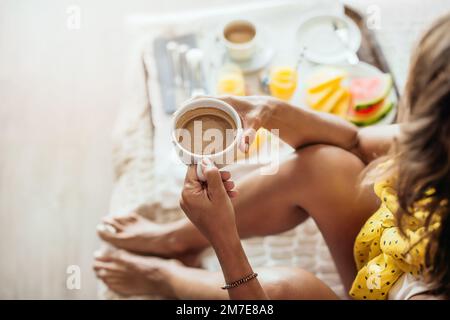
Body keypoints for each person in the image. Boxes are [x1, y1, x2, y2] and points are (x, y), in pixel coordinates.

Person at [93, 13, 450, 299]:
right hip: (392, 255)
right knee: (326, 165)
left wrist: (224, 240)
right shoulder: (438, 147)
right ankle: (175, 238)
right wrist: (273, 110)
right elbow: (355, 140)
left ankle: (166, 278)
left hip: (398, 282)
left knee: (284, 290)